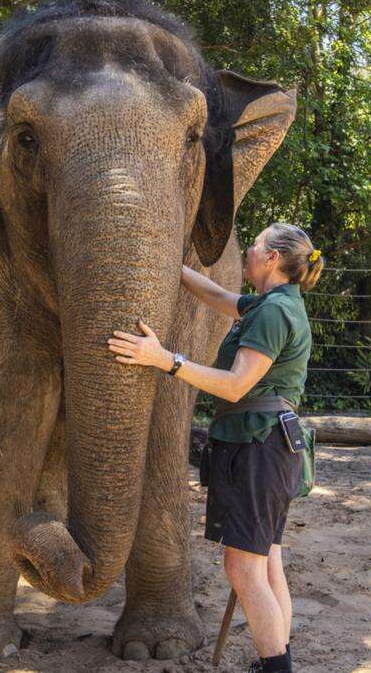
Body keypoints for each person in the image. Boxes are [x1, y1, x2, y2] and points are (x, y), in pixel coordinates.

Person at [107, 221, 323, 673]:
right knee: (267, 564)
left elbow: (234, 385)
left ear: (272, 258)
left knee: (244, 570)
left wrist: (163, 359)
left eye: (256, 244)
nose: (248, 250)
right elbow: (217, 298)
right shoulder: (276, 303)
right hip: (274, 447)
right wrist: (171, 265)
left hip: (256, 447)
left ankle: (277, 667)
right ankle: (277, 662)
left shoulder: (270, 313)